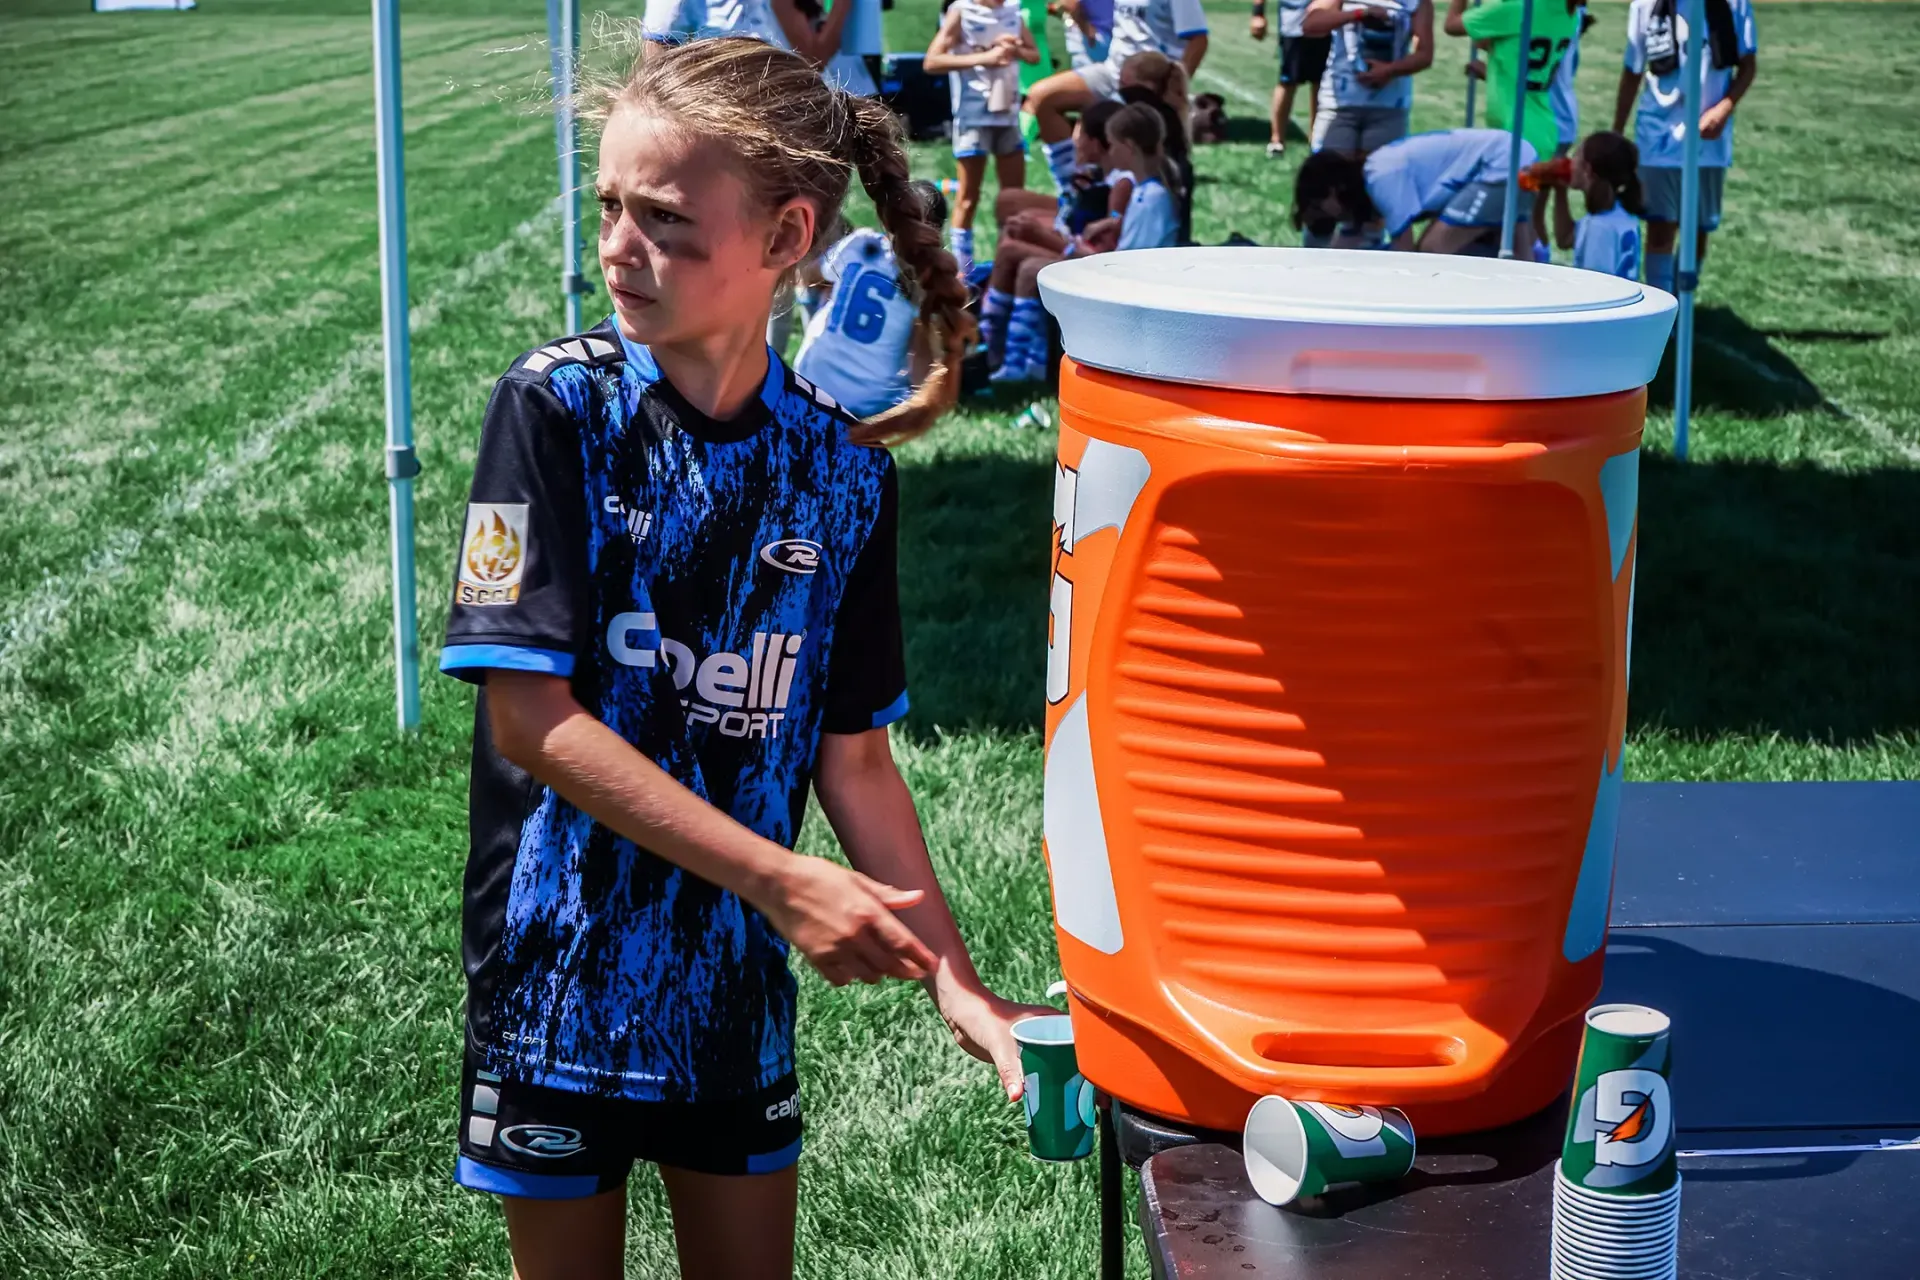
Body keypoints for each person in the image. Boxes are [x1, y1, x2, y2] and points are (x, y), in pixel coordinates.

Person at [440, 38, 1044, 1280]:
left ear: (785, 239)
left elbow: (859, 762)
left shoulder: (844, 471)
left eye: (665, 220)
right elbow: (529, 720)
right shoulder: (550, 410)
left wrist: (962, 989)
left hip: (730, 993)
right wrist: (783, 877)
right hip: (553, 985)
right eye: (608, 206)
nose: (620, 246)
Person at [992, 103, 1180, 383]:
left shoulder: (1151, 198)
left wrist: (1068, 246)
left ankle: (1024, 363)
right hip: (1123, 276)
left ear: (1128, 147)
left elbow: (1126, 264)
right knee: (1027, 259)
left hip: (1129, 288)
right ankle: (1012, 358)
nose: (1110, 150)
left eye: (1113, 144)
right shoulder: (1145, 191)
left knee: (1033, 268)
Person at [1613, 0, 1757, 292]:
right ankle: (1664, 311)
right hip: (1659, 138)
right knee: (1661, 227)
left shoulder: (1734, 5)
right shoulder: (1645, 6)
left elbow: (1748, 66)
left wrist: (1724, 109)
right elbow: (1632, 71)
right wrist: (1617, 130)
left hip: (1709, 142)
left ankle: (1683, 300)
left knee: (1697, 230)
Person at [1024, 0, 1209, 195]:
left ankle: (1101, 195)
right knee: (1042, 98)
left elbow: (1199, 40)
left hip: (1148, 82)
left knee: (1101, 139)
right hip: (1112, 71)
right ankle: (1072, 192)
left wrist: (1172, 86)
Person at [795, 183, 948, 416]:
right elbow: (920, 363)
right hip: (867, 402)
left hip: (810, 377)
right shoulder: (927, 283)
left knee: (831, 286)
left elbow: (807, 277)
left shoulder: (862, 243)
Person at [1445, 0, 1579, 260]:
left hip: (1517, 137)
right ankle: (1539, 268)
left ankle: (1536, 279)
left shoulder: (1516, 10)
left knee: (1517, 232)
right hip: (1541, 131)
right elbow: (1505, 47)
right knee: (1523, 221)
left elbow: (1452, 25)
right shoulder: (1566, 12)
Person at [925, 0, 1041, 277]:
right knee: (968, 197)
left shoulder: (1012, 12)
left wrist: (1016, 50)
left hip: (1008, 115)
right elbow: (932, 61)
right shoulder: (962, 12)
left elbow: (1035, 55)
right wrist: (983, 58)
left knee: (1014, 198)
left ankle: (1007, 264)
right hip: (974, 117)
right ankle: (963, 271)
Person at [1293, 126, 1537, 253]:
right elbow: (1344, 251)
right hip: (1516, 156)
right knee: (1517, 251)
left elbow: (1406, 252)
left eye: (1318, 204)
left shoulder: (1381, 179)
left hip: (1501, 165)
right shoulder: (1373, 178)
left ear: (1335, 189)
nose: (1324, 213)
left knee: (1432, 251)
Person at [1302, 0, 1433, 158]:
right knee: (1330, 175)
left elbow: (1425, 55)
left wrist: (1390, 70)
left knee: (1378, 177)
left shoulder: (1417, 3)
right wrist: (1359, 14)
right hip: (1339, 104)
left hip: (1388, 107)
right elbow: (1311, 24)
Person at [1551, 131, 1644, 280]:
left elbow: (1596, 286)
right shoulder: (1619, 214)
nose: (1570, 161)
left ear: (1587, 169)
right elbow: (1565, 239)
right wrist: (1560, 191)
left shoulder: (1599, 227)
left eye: (1576, 155)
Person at [1250, 0, 1332, 158]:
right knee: (1288, 81)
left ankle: (1317, 138)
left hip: (1326, 24)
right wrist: (1258, 12)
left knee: (1322, 83)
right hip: (1295, 24)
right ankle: (1277, 140)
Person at [1057, 0, 1114, 68]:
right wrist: (1086, 28)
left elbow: (1068, 4)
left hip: (1107, 36)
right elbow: (1068, 4)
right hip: (1097, 38)